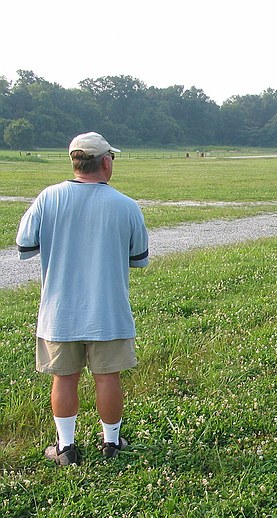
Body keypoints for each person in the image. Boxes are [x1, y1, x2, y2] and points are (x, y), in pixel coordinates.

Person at [16, 132, 149, 466]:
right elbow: (139, 258)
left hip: (60, 313)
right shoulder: (126, 205)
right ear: (105, 162)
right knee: (108, 377)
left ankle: (66, 448)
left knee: (65, 378)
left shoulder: (48, 199)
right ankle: (112, 443)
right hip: (109, 311)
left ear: (74, 162)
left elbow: (25, 246)